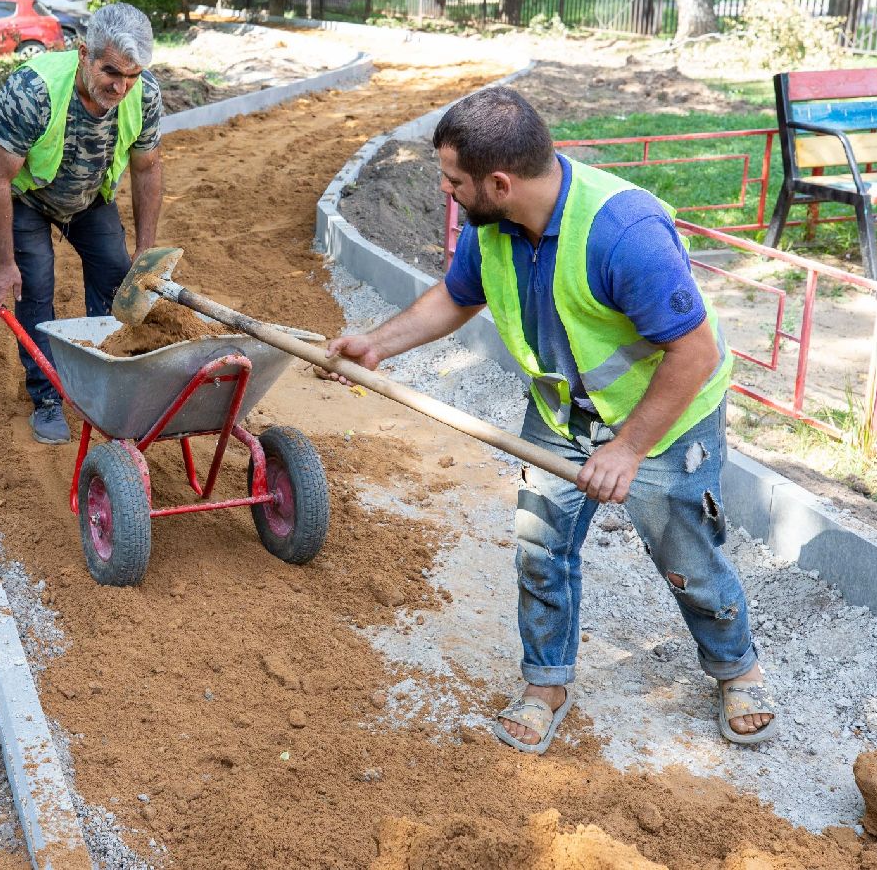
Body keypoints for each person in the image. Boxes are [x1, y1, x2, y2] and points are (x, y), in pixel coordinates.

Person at [326, 86, 778, 753]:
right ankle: (546, 682)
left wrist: (625, 449)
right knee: (541, 549)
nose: (445, 190)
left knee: (685, 558)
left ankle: (738, 669)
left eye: (453, 180)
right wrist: (376, 345)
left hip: (663, 421)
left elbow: (694, 351)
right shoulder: (494, 228)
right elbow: (456, 296)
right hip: (560, 414)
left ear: (499, 182)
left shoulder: (623, 234)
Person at [0, 3, 165, 444]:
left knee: (117, 279)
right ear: (84, 53)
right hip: (27, 197)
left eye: (132, 76)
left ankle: (105, 384)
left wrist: (146, 251)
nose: (122, 87)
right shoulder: (33, 90)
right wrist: (3, 263)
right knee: (35, 285)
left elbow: (147, 168)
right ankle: (47, 398)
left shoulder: (145, 93)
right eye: (112, 73)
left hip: (88, 197)